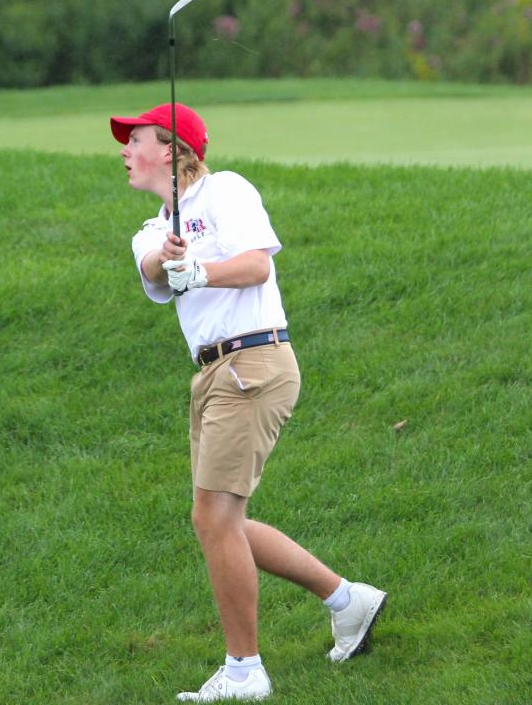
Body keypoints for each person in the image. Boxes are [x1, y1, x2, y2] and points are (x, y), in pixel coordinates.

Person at [110, 103, 387, 702]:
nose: (125, 152)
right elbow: (154, 270)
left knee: (214, 518)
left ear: (173, 148)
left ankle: (244, 669)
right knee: (221, 520)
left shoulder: (226, 190)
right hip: (212, 376)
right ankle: (348, 599)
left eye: (136, 140)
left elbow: (258, 266)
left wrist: (201, 271)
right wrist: (174, 259)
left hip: (253, 361)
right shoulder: (153, 228)